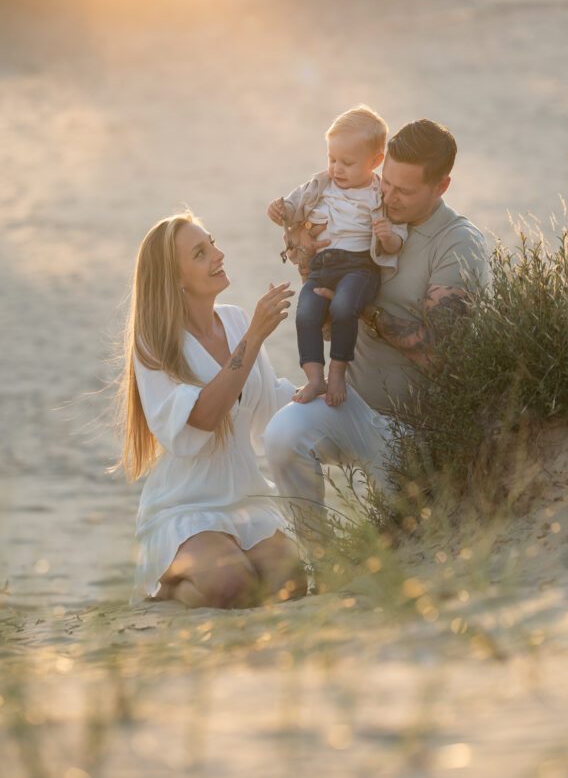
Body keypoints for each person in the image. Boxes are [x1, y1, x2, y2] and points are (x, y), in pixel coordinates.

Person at [262, 119, 488, 508]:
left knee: (398, 541)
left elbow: (443, 356)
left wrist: (366, 313)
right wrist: (310, 264)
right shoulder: (367, 214)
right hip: (350, 404)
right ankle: (315, 560)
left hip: (415, 429)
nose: (389, 195)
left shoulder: (457, 243)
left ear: (441, 187)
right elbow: (333, 327)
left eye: (404, 190)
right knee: (282, 434)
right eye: (386, 182)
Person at [116, 210, 307, 609]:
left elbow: (269, 405)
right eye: (201, 253)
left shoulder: (236, 320)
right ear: (175, 278)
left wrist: (325, 388)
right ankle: (171, 589)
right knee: (230, 587)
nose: (218, 254)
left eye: (212, 243)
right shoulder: (155, 344)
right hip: (186, 506)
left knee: (289, 584)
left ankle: (212, 572)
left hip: (244, 497)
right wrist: (254, 337)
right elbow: (202, 417)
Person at [267, 105, 406, 407]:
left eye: (347, 162)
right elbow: (292, 208)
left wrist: (387, 236)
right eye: (331, 159)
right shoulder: (320, 185)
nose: (337, 168)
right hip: (323, 266)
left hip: (359, 268)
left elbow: (396, 245)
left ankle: (338, 372)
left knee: (344, 307)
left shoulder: (378, 194)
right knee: (305, 311)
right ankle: (315, 377)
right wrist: (280, 211)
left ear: (375, 161)